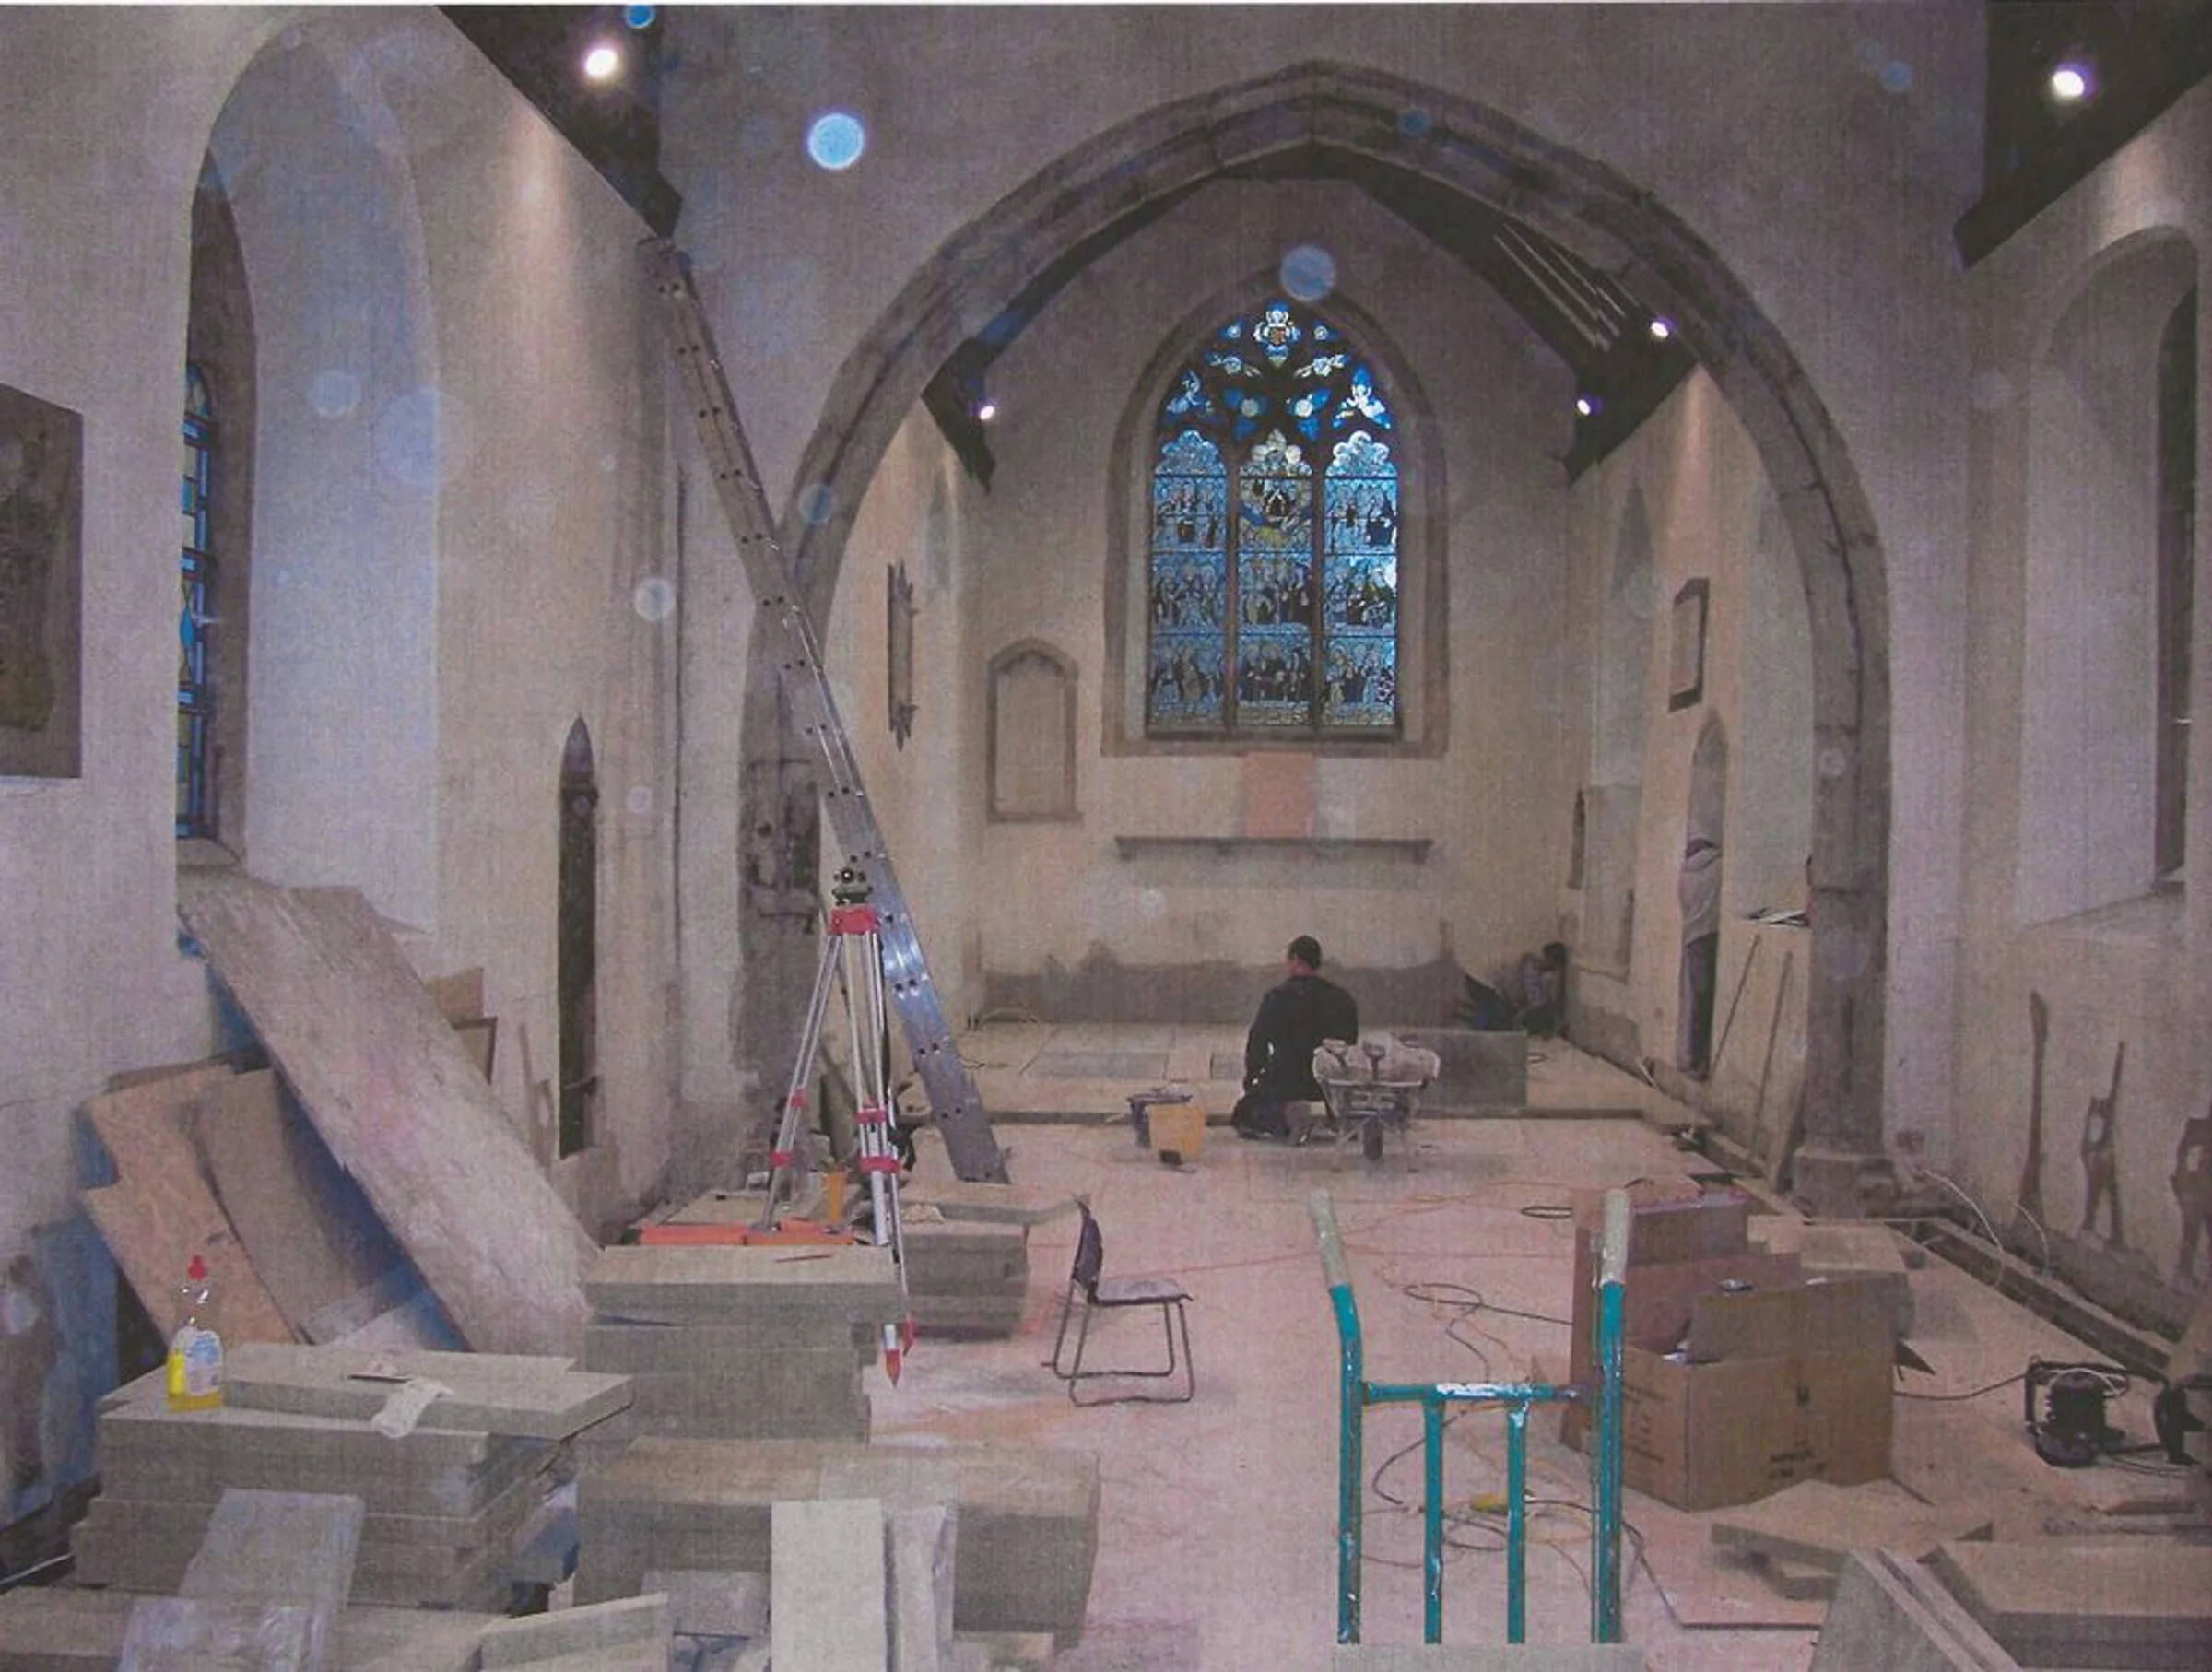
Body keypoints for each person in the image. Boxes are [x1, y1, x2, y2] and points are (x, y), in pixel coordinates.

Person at [1233, 935, 1359, 1140]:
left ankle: (1286, 1118)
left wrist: (1252, 1079)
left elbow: (1258, 1042)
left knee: (1243, 1115)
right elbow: (1350, 1043)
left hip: (1286, 1078)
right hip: (1327, 1081)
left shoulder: (1277, 997)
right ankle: (1335, 1118)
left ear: (1294, 960)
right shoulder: (1341, 998)